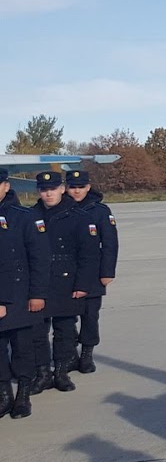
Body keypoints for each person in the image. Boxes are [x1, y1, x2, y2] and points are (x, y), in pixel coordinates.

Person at [29, 171, 95, 393]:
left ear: (61, 189)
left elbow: (88, 254)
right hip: (39, 280)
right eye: (44, 190)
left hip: (67, 280)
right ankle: (43, 373)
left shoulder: (77, 216)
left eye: (52, 189)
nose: (48, 194)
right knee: (37, 332)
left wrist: (82, 285)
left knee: (65, 330)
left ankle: (61, 371)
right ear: (39, 191)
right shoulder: (30, 216)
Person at [0, 170, 51, 419]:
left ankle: (23, 395)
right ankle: (3, 395)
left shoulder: (25, 217)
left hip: (20, 294)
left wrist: (38, 294)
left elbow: (39, 260)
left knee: (22, 347)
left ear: (6, 186)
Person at [64, 169, 118, 374]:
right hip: (65, 274)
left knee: (89, 316)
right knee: (66, 319)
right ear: (66, 188)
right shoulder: (60, 209)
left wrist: (107, 273)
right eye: (72, 187)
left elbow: (110, 244)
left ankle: (87, 354)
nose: (76, 191)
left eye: (81, 187)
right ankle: (69, 355)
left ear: (88, 187)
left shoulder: (100, 211)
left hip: (93, 273)